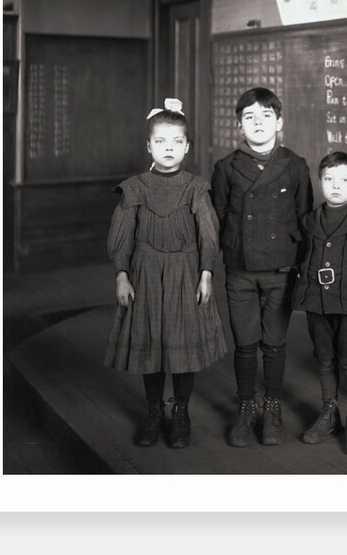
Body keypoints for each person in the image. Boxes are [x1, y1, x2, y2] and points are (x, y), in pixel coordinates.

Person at [105, 98, 227, 450]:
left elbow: (208, 234)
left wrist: (205, 274)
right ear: (149, 146)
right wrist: (122, 275)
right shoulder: (134, 188)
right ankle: (155, 411)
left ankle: (182, 412)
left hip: (185, 273)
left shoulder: (196, 187)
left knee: (182, 345)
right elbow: (123, 236)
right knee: (152, 345)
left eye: (176, 142)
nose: (169, 148)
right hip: (144, 274)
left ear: (187, 146)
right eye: (161, 142)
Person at [211, 86, 313, 447]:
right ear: (239, 125)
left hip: (281, 269)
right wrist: (211, 268)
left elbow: (305, 219)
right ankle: (245, 407)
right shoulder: (226, 167)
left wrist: (303, 269)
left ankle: (272, 407)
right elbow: (218, 220)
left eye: (266, 116)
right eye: (249, 117)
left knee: (274, 342)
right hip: (239, 268)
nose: (258, 123)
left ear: (279, 122)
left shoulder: (295, 165)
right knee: (244, 343)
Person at [293, 152, 347, 456]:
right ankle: (329, 411)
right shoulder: (309, 221)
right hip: (317, 302)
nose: (336, 185)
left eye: (344, 180)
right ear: (320, 182)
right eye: (329, 179)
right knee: (325, 358)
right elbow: (301, 256)